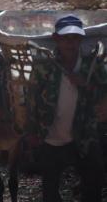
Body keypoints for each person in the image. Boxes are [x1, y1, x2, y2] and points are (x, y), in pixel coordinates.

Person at [30, 14, 107, 201]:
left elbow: (103, 92)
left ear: (81, 39)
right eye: (65, 37)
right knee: (50, 191)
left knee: (93, 185)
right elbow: (32, 99)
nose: (70, 43)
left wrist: (85, 84)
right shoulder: (44, 66)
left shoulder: (92, 65)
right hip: (51, 138)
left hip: (84, 136)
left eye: (75, 37)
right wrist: (32, 131)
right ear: (56, 39)